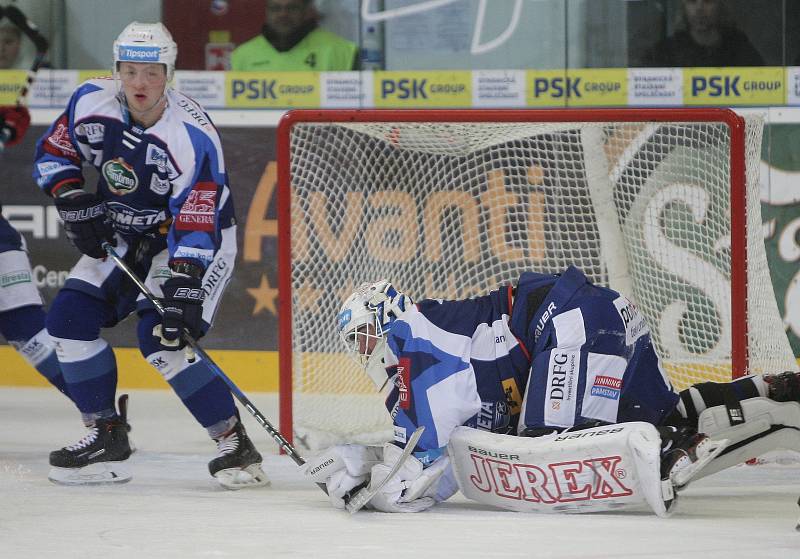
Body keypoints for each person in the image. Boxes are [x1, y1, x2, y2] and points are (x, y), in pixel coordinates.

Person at [305, 268, 800, 513]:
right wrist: (360, 463)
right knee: (663, 414)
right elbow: (451, 471)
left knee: (551, 446)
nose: (364, 350)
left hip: (569, 326)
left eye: (364, 335)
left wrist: (352, 480)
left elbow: (409, 480)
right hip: (598, 316)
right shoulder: (433, 339)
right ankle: (770, 397)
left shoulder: (416, 346)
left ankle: (673, 451)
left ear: (387, 319)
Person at [32, 21, 267, 489]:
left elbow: (197, 216)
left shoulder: (190, 135)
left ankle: (234, 441)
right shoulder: (89, 101)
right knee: (68, 322)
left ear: (169, 73)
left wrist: (184, 280)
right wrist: (73, 197)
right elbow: (55, 154)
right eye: (130, 70)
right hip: (123, 231)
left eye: (152, 72)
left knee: (163, 336)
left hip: (189, 240)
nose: (140, 83)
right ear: (116, 69)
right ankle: (105, 433)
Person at [230, 0, 358, 71]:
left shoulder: (343, 51)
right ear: (267, 11)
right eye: (275, 8)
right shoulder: (242, 55)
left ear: (306, 10)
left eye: (291, 8)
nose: (283, 14)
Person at [638, 0, 764, 67]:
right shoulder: (665, 52)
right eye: (692, 1)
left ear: (721, 5)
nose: (699, 8)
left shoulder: (739, 49)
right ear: (683, 7)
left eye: (708, 1)